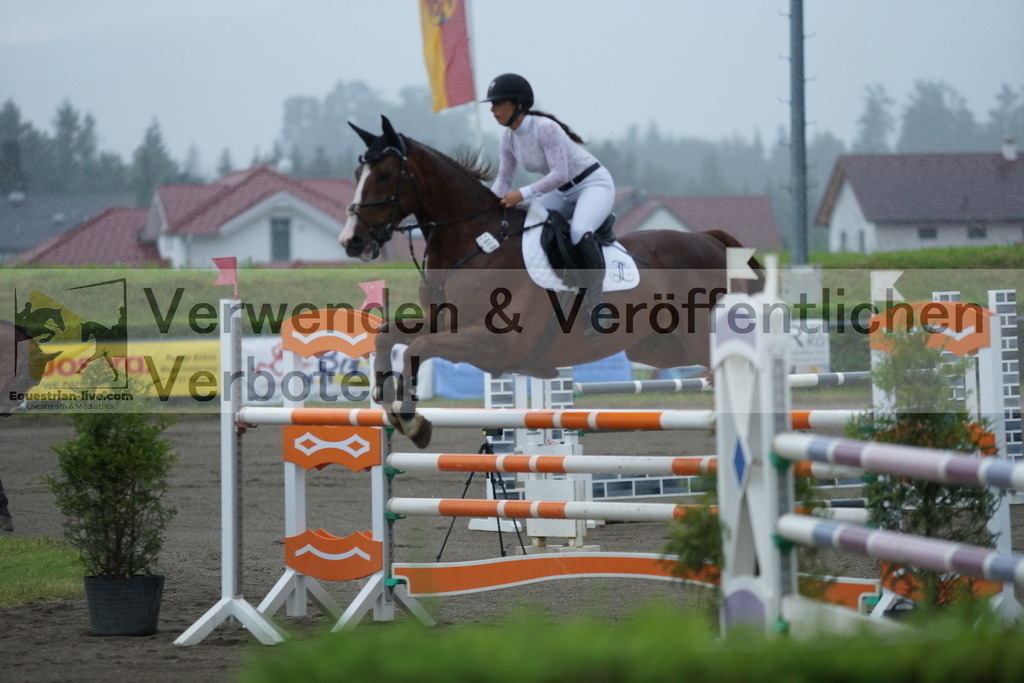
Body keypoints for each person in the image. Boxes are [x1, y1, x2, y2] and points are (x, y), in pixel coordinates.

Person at [483, 73, 614, 333]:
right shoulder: (509, 138)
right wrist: (486, 205)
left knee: (578, 230)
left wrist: (522, 194)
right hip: (562, 192)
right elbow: (503, 179)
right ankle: (561, 291)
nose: (492, 109)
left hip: (592, 185)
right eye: (492, 104)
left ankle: (599, 308)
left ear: (518, 104)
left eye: (498, 103)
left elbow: (559, 173)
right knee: (532, 226)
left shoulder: (545, 128)